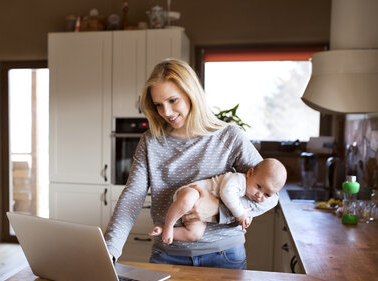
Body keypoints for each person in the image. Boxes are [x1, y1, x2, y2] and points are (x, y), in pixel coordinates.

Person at [104, 59, 279, 270]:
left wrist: (218, 209)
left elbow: (270, 198)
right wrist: (111, 249)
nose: (166, 112)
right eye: (158, 105)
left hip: (224, 256)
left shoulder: (229, 136)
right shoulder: (150, 142)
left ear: (191, 94)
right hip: (168, 254)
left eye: (173, 100)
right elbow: (132, 197)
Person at [150, 158, 287, 244]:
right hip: (195, 191)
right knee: (186, 201)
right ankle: (168, 225)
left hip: (200, 217)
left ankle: (163, 231)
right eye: (258, 187)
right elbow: (227, 193)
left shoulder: (251, 194)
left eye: (267, 195)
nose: (259, 196)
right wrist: (240, 214)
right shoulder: (239, 180)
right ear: (250, 173)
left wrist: (248, 215)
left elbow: (252, 207)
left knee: (194, 234)